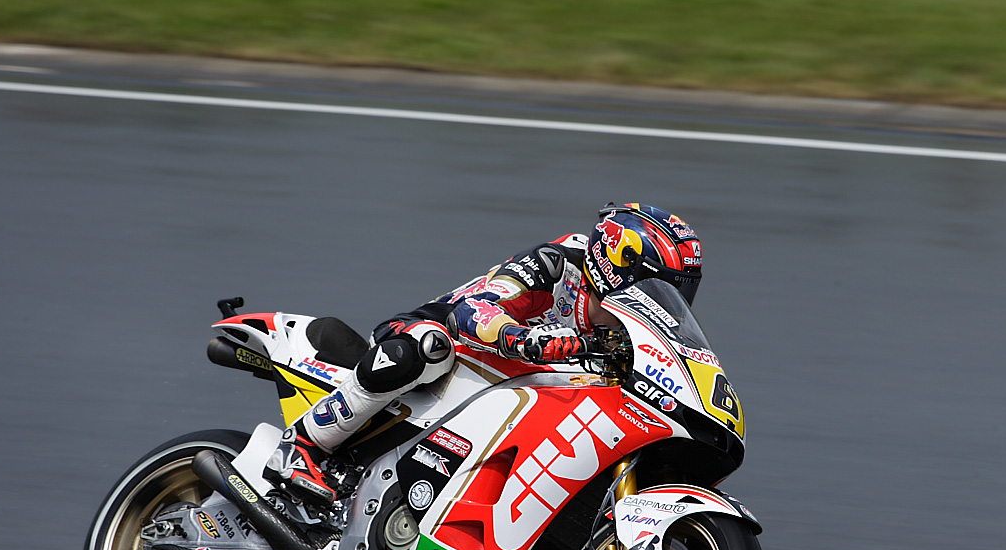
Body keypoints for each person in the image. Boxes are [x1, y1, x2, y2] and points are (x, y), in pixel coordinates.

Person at [264, 203, 703, 504]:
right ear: (618, 264)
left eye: (678, 292)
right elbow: (476, 308)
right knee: (427, 347)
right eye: (658, 285)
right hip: (445, 339)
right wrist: (529, 340)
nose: (664, 300)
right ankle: (303, 445)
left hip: (512, 390)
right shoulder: (557, 263)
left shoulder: (626, 331)